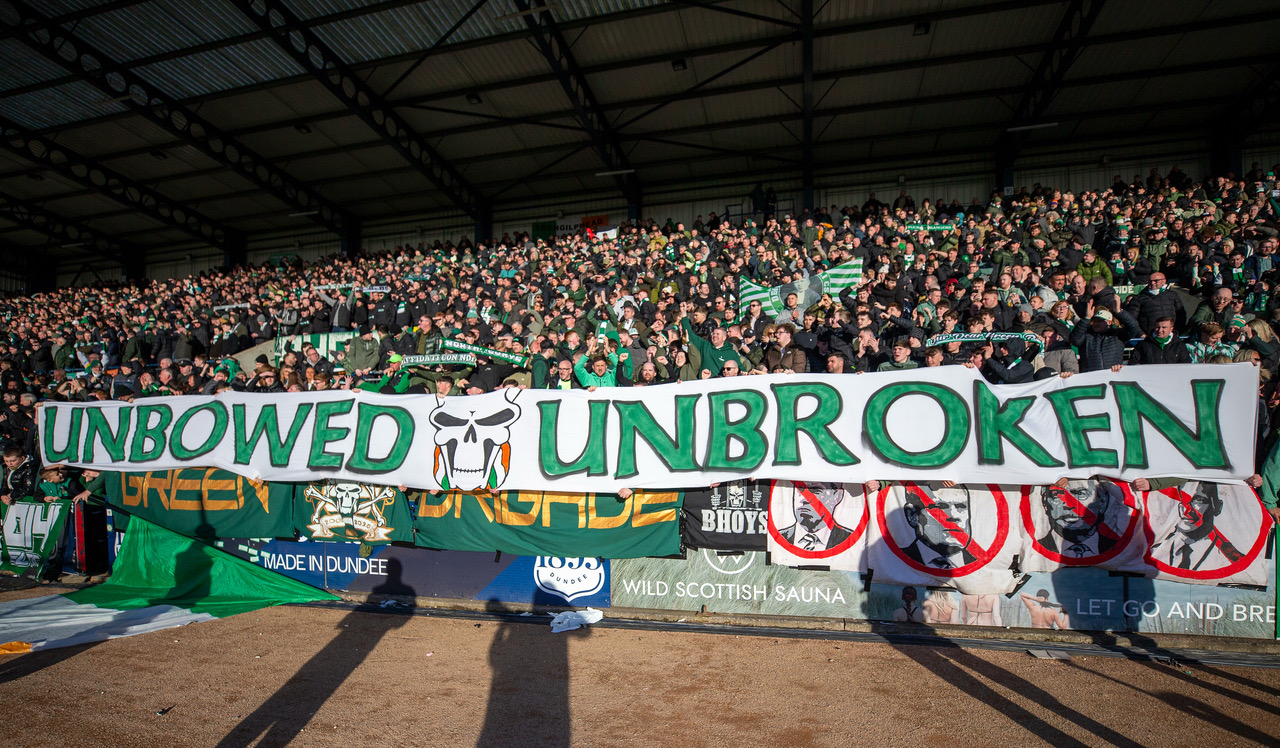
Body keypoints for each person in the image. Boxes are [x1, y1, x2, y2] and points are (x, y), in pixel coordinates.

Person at [1147, 482, 1236, 570]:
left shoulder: (1226, 558)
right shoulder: (1154, 551)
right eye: (1181, 499)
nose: (1186, 509)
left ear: (1216, 507)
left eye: (1198, 501)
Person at [1036, 481, 1122, 558]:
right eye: (1057, 495)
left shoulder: (1119, 549)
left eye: (1081, 493)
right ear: (1045, 502)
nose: (1069, 506)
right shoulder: (1035, 553)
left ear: (1102, 502)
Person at [900, 483, 976, 569]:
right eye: (941, 507)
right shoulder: (896, 564)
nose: (954, 516)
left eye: (960, 506)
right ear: (912, 515)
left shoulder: (982, 567)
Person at [777, 482, 855, 551]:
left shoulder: (850, 540)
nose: (804, 499)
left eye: (815, 490)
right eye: (800, 490)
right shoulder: (778, 538)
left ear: (836, 496)